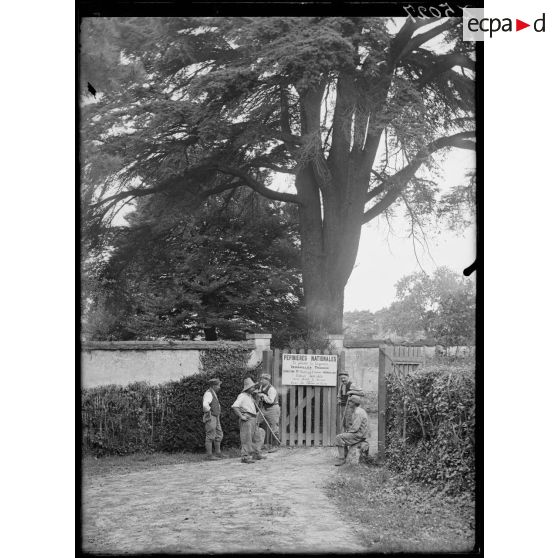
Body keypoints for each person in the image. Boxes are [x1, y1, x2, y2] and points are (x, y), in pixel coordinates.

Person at [232, 378, 266, 464]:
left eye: (254, 387)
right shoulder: (242, 396)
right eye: (252, 387)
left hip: (253, 418)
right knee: (246, 438)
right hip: (247, 418)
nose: (254, 389)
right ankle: (245, 457)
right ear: (248, 388)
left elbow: (255, 406)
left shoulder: (249, 396)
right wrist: (241, 416)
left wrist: (258, 397)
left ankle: (256, 454)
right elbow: (235, 406)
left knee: (257, 437)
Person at [333, 395, 369, 466]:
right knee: (343, 436)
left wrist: (348, 432)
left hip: (359, 435)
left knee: (339, 437)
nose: (349, 403)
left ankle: (341, 459)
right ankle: (345, 455)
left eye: (350, 402)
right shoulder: (359, 410)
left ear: (354, 403)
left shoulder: (358, 412)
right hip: (361, 434)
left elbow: (355, 428)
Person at [255, 373, 281, 453]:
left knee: (274, 427)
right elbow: (259, 396)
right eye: (261, 379)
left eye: (263, 379)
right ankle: (258, 444)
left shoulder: (271, 389)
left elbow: (270, 401)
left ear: (267, 380)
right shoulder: (261, 386)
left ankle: (275, 445)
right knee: (256, 422)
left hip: (272, 408)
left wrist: (262, 395)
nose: (261, 381)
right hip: (263, 408)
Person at [202, 378, 224, 461]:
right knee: (210, 435)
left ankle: (218, 453)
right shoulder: (208, 393)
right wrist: (209, 413)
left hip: (216, 416)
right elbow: (205, 405)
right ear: (214, 386)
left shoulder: (213, 392)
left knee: (219, 434)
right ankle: (209, 456)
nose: (219, 387)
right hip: (212, 416)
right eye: (218, 385)